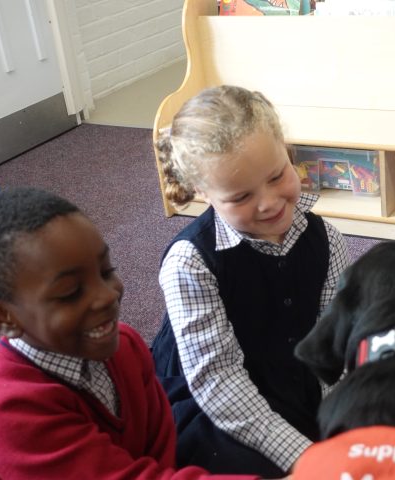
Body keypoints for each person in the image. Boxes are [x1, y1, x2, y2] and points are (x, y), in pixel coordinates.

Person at [0, 187, 259, 480]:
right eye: (70, 293)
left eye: (106, 271)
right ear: (3, 316)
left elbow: (158, 451)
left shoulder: (125, 346)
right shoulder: (4, 414)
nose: (106, 297)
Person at [150, 85, 351, 477]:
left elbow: (335, 348)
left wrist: (338, 428)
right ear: (205, 193)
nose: (270, 202)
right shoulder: (189, 264)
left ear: (286, 151)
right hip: (214, 402)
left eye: (277, 176)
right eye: (241, 197)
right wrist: (304, 455)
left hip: (296, 379)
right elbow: (219, 382)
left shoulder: (327, 240)